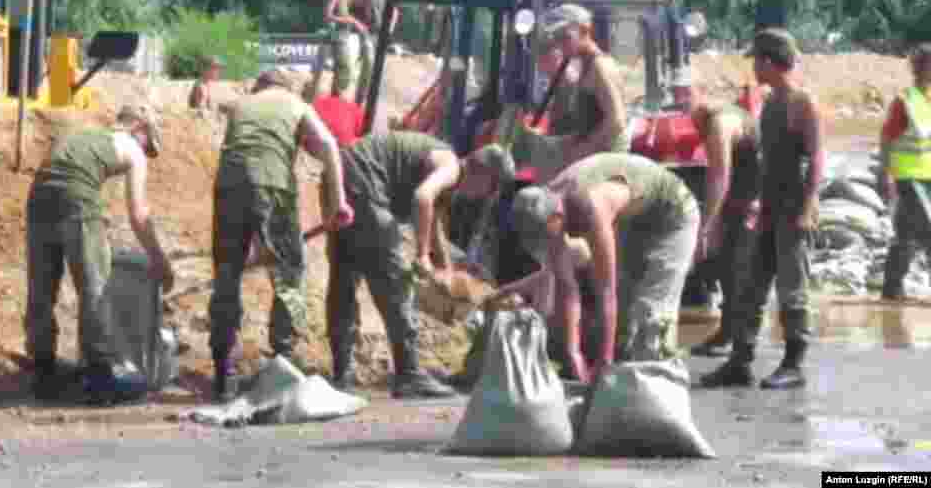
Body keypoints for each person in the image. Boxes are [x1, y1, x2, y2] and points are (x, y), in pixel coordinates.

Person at [328, 136, 515, 397]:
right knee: (396, 283)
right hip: (366, 183)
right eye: (492, 188)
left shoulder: (445, 174)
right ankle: (409, 374)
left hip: (343, 174)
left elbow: (434, 221)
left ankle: (341, 372)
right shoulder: (450, 166)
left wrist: (446, 270)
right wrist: (422, 255)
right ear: (483, 173)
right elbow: (422, 198)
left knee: (345, 275)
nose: (487, 196)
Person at [211, 69, 353, 403]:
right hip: (273, 185)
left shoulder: (244, 105)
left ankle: (222, 372)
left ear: (260, 85)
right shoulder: (295, 104)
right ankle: (284, 363)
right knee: (288, 275)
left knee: (226, 274)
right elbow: (330, 146)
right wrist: (339, 202)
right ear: (286, 86)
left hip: (228, 188)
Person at [699, 28, 825, 390]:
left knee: (792, 290)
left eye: (756, 59)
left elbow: (816, 157)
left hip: (793, 209)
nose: (753, 67)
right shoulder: (770, 102)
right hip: (769, 209)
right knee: (751, 289)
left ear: (769, 61)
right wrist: (757, 204)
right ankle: (740, 362)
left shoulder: (802, 102)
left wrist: (807, 206)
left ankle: (794, 364)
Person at [26, 102, 175, 403]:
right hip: (77, 199)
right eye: (148, 145)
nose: (145, 153)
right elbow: (139, 214)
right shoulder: (131, 147)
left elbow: (65, 172)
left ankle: (42, 372)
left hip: (38, 197)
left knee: (41, 289)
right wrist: (161, 261)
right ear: (139, 128)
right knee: (96, 288)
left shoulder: (85, 135)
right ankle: (100, 378)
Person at [508, 153, 700, 384]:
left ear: (559, 217)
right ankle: (621, 387)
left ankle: (657, 387)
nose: (557, 238)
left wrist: (604, 360)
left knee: (649, 314)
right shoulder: (547, 206)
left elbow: (606, 292)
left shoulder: (593, 209)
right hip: (634, 215)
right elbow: (567, 288)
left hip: (673, 213)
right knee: (624, 321)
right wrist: (573, 353)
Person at [511, 3, 628, 182]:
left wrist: (582, 149)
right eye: (556, 37)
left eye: (565, 36)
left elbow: (617, 121)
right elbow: (591, 121)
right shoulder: (586, 65)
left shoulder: (600, 66)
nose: (560, 43)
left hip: (603, 161)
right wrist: (567, 143)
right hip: (590, 153)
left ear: (585, 30)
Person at [687, 98, 762, 357]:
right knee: (726, 265)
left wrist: (707, 226)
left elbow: (720, 177)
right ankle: (728, 332)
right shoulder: (733, 115)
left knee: (737, 268)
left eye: (698, 129)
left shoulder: (719, 124)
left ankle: (738, 339)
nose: (700, 136)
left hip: (751, 202)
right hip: (741, 197)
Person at [878, 43, 931, 300]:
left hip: (928, 178)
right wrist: (884, 173)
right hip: (908, 179)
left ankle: (891, 288)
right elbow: (887, 139)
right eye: (925, 64)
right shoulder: (904, 102)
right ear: (917, 67)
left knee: (906, 235)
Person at [353, 0, 399, 105]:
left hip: (379, 35)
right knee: (368, 64)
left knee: (374, 69)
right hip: (363, 33)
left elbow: (395, 12)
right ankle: (358, 100)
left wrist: (389, 29)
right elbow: (348, 10)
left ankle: (365, 100)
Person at [321, 0, 366, 99]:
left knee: (345, 70)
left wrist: (355, 22)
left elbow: (344, 15)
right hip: (336, 35)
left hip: (344, 36)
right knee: (344, 68)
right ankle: (336, 98)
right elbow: (327, 16)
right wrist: (351, 22)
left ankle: (336, 97)